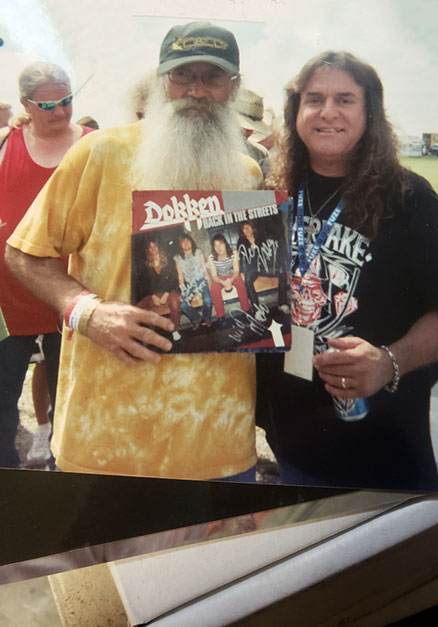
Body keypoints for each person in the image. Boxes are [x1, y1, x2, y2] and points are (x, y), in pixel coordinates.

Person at [6, 22, 262, 480]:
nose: (197, 91)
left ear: (234, 88)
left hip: (219, 444)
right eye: (183, 76)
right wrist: (87, 312)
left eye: (213, 77)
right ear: (162, 82)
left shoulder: (248, 174)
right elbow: (25, 253)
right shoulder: (99, 153)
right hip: (105, 441)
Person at [258, 51, 438, 491]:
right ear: (295, 112)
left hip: (384, 456)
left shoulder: (410, 198)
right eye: (313, 99)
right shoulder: (271, 191)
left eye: (345, 99)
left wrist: (388, 362)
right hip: (293, 443)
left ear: (369, 112)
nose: (328, 112)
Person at [0, 62, 93, 468]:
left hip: (70, 297)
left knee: (72, 400)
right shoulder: (5, 143)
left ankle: (64, 475)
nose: (59, 112)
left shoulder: (95, 144)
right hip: (7, 300)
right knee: (1, 398)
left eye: (66, 101)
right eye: (48, 104)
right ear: (26, 104)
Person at [237, 220, 289, 313]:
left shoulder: (261, 237)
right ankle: (256, 309)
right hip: (252, 269)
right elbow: (241, 258)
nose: (247, 230)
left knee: (282, 272)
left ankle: (282, 303)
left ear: (252, 228)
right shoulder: (241, 242)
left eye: (248, 227)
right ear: (242, 231)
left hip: (264, 267)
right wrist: (242, 272)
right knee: (247, 281)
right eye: (244, 228)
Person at [135, 240, 181, 341]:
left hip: (168, 291)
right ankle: (149, 334)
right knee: (139, 308)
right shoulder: (145, 265)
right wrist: (153, 296)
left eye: (155, 246)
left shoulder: (168, 261)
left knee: (175, 303)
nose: (153, 249)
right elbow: (144, 283)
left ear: (159, 247)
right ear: (148, 250)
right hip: (154, 294)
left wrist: (166, 294)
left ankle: (175, 330)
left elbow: (173, 278)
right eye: (151, 247)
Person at [208, 233, 250, 322]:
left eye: (221, 244)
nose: (219, 248)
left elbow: (236, 271)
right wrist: (222, 282)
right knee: (214, 287)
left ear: (225, 244)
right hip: (219, 277)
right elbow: (214, 276)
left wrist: (231, 280)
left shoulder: (233, 253)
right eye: (216, 246)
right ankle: (220, 316)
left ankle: (247, 311)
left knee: (240, 281)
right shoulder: (211, 257)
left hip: (231, 275)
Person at [174, 234, 212, 330]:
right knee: (183, 305)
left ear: (192, 242)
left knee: (208, 300)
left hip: (201, 280)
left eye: (188, 241)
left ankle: (207, 318)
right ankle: (197, 319)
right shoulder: (178, 258)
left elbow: (204, 268)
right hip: (189, 284)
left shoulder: (198, 252)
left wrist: (209, 282)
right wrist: (182, 291)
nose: (186, 244)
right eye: (183, 242)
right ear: (180, 244)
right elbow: (180, 275)